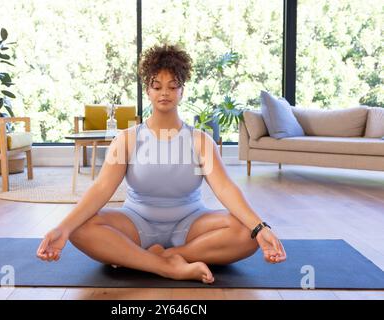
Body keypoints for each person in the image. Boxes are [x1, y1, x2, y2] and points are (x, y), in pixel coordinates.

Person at [37, 44, 286, 284]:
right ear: (148, 90)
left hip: (191, 223)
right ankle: (167, 267)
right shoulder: (127, 139)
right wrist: (63, 228)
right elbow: (101, 189)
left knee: (246, 233)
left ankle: (168, 256)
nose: (164, 93)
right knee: (80, 228)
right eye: (157, 86)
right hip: (136, 222)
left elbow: (225, 189)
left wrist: (259, 227)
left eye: (172, 86)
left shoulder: (200, 141)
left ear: (182, 91)